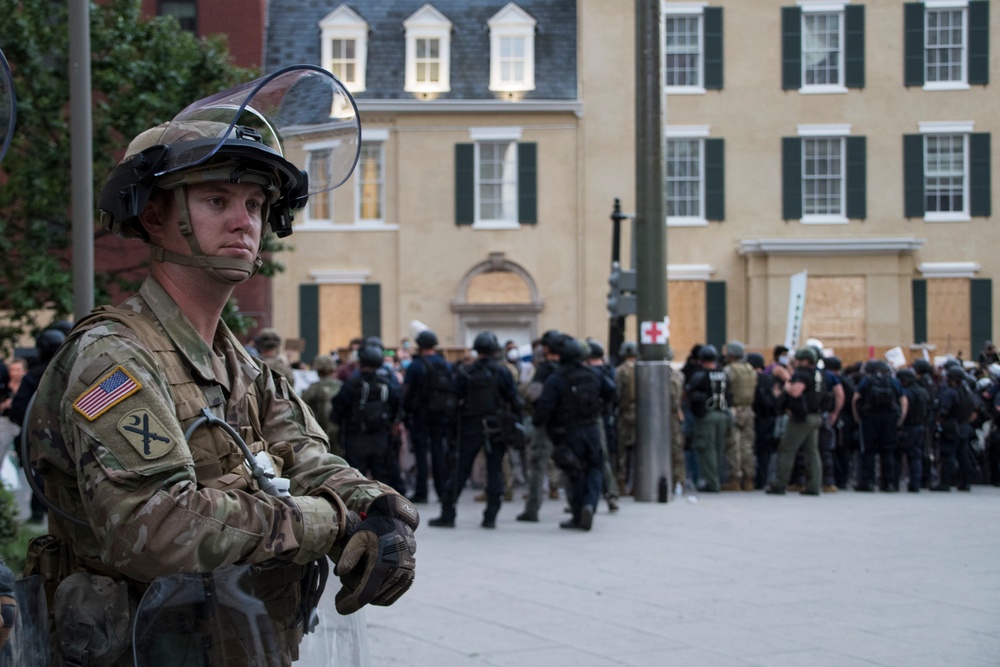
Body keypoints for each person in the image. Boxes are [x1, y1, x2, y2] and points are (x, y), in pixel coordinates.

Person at [23, 71, 417, 664]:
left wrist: (378, 510)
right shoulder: (114, 360)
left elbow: (311, 459)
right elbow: (154, 529)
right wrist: (326, 523)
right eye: (216, 200)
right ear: (154, 217)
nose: (245, 222)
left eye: (256, 204)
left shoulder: (245, 369)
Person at [429, 331, 521, 529]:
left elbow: (451, 402)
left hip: (470, 426)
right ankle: (491, 516)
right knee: (495, 470)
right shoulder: (503, 372)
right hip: (495, 427)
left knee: (460, 470)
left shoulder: (465, 372)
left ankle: (448, 513)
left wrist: (452, 426)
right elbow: (515, 401)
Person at [534, 336, 615, 531]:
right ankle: (590, 505)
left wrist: (543, 424)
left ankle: (579, 514)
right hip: (591, 428)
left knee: (575, 472)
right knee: (595, 467)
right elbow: (612, 392)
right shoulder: (593, 374)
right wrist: (601, 408)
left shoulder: (556, 378)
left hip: (568, 432)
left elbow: (544, 408)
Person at [8, 328, 66, 523]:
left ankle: (38, 514)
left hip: (41, 435)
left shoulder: (33, 376)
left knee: (44, 474)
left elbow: (18, 409)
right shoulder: (70, 372)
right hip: (66, 436)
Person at [331, 344, 402, 488]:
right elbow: (397, 407)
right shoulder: (385, 384)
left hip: (356, 438)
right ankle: (382, 508)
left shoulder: (352, 383)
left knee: (356, 481)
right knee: (381, 480)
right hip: (381, 439)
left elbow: (338, 406)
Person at [401, 328, 455, 503]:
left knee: (421, 453)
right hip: (440, 414)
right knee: (439, 451)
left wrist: (404, 412)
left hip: (420, 414)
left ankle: (421, 491)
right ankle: (441, 491)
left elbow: (406, 392)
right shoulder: (444, 363)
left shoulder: (416, 365)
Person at [516, 330, 562, 522]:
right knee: (569, 465)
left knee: (537, 466)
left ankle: (532, 508)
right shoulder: (566, 366)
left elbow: (532, 394)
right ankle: (578, 505)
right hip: (566, 422)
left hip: (544, 424)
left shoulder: (543, 370)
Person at [767, 347, 824, 496]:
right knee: (812, 452)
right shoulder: (818, 373)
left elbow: (796, 391)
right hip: (815, 415)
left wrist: (786, 387)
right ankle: (813, 486)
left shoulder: (802, 373)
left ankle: (780, 483)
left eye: (798, 360)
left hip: (801, 418)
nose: (796, 363)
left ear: (805, 360)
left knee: (787, 449)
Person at [852, 360, 907, 492]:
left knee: (868, 451)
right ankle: (888, 483)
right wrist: (900, 419)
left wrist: (857, 417)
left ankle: (867, 482)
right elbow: (903, 400)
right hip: (889, 419)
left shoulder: (867, 381)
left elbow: (856, 398)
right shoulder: (892, 381)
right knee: (887, 451)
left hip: (870, 419)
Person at [684, 344, 731, 493]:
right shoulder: (723, 373)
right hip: (722, 415)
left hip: (706, 416)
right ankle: (717, 479)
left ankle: (712, 483)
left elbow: (690, 394)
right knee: (719, 448)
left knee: (707, 449)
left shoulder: (700, 375)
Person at [722, 340, 757, 491]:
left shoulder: (729, 370)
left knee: (734, 445)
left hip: (735, 410)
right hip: (749, 410)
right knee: (747, 446)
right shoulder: (750, 369)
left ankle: (735, 479)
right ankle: (749, 480)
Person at [300, 353, 344, 456]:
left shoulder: (313, 388)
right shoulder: (342, 386)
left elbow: (302, 407)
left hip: (318, 432)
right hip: (339, 431)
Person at [897, 368, 929, 492]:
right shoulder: (922, 391)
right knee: (916, 455)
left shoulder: (907, 393)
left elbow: (904, 409)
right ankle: (916, 483)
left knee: (903, 455)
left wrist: (899, 423)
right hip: (920, 426)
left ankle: (897, 482)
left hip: (909, 426)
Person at [614, 340, 639, 494]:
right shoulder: (642, 369)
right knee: (639, 450)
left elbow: (616, 392)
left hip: (624, 413)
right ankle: (637, 484)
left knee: (621, 450)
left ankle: (621, 483)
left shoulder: (620, 371)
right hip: (641, 414)